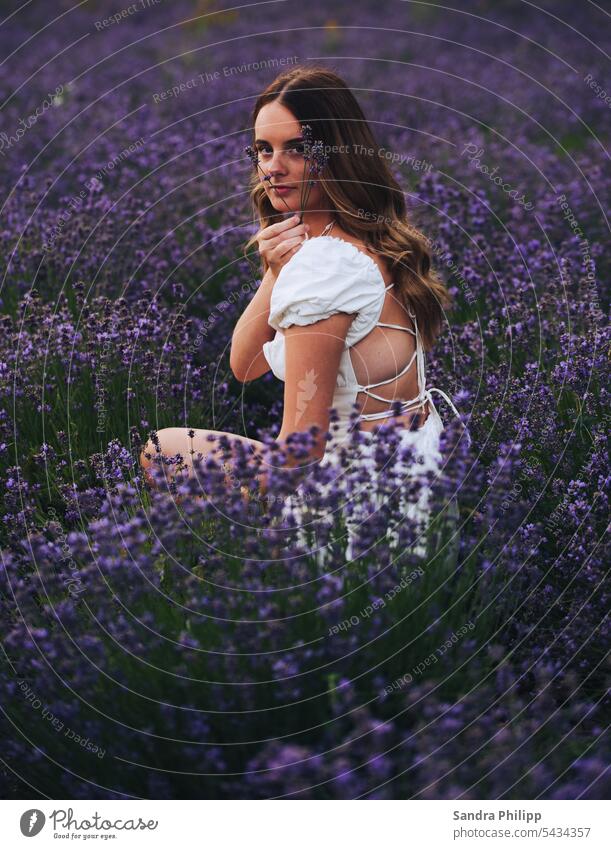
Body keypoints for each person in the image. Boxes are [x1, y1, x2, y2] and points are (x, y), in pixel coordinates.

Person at [139, 65, 470, 546]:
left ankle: (229, 577)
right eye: (262, 150)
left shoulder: (323, 268)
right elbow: (245, 365)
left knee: (161, 450)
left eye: (296, 148)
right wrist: (273, 275)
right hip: (420, 498)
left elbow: (301, 453)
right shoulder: (372, 238)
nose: (272, 166)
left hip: (356, 523)